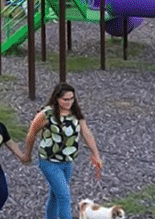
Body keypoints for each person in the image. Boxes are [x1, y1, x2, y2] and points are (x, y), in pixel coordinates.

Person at [24, 82, 103, 219]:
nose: (69, 102)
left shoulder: (76, 113)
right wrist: (27, 155)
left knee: (55, 195)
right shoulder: (47, 114)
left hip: (67, 162)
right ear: (57, 98)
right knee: (64, 197)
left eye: (72, 98)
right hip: (49, 162)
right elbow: (31, 134)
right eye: (65, 99)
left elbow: (86, 133)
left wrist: (96, 155)